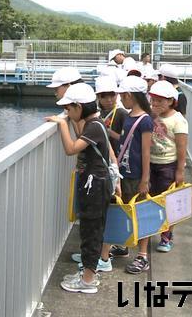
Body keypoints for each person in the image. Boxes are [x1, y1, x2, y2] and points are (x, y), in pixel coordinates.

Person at [45, 83, 118, 293]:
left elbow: (70, 149)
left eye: (69, 109)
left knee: (91, 232)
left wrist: (61, 124)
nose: (67, 112)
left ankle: (87, 281)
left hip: (94, 187)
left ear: (79, 107)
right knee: (90, 230)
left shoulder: (94, 126)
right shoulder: (94, 123)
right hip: (95, 185)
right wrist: (67, 120)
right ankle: (87, 275)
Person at [108, 76, 154, 272]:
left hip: (136, 175)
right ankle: (123, 246)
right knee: (125, 208)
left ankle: (143, 256)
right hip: (126, 173)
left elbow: (145, 151)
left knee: (141, 213)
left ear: (129, 95)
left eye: (121, 95)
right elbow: (125, 141)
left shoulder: (145, 120)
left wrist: (145, 179)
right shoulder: (129, 117)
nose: (120, 98)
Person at [148, 80, 188, 253]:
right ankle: (149, 231)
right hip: (150, 163)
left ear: (171, 101)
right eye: (153, 99)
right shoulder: (150, 116)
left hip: (168, 165)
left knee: (169, 202)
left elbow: (181, 148)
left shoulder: (178, 120)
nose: (156, 103)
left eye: (160, 100)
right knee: (149, 199)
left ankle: (166, 236)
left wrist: (180, 171)